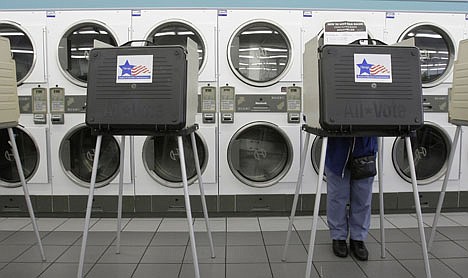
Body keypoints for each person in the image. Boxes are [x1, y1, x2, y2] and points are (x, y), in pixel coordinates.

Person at [325, 136, 378, 261]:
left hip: (365, 148)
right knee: (337, 197)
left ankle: (358, 239)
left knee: (362, 197)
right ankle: (338, 237)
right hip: (337, 149)